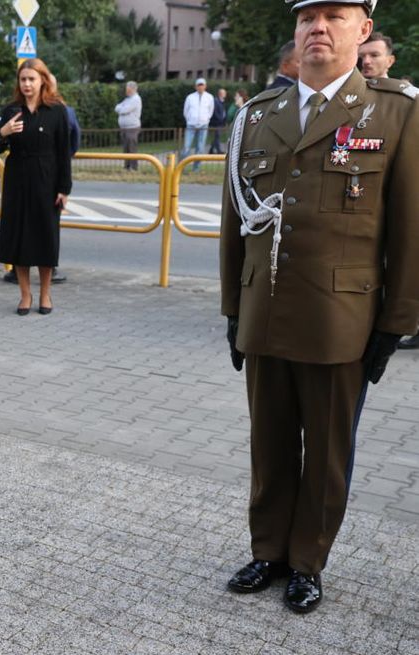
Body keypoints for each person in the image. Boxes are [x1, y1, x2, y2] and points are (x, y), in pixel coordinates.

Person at [221, 0, 419, 614]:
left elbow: (410, 229)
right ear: (296, 31)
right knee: (270, 443)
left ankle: (308, 560)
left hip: (342, 321)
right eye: (308, 17)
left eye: (335, 16)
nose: (319, 28)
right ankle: (268, 550)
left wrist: (397, 322)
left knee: (328, 453)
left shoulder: (395, 113)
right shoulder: (258, 114)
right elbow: (237, 224)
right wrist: (234, 309)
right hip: (266, 312)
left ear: (362, 31)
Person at [0, 59, 72, 317]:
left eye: (31, 79)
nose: (26, 84)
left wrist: (64, 188)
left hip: (47, 182)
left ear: (42, 81)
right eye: (23, 79)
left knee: (45, 239)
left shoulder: (57, 111)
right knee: (20, 240)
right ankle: (25, 295)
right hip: (17, 180)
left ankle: (45, 293)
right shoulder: (11, 110)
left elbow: (63, 153)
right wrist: (3, 132)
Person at [182, 77, 215, 169]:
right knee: (186, 146)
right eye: (199, 85)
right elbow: (186, 111)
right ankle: (181, 167)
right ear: (195, 87)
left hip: (203, 125)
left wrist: (206, 119)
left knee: (200, 147)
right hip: (191, 124)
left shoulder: (209, 97)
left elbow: (210, 110)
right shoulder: (190, 97)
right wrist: (189, 119)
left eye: (202, 85)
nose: (200, 87)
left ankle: (196, 168)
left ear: (205, 86)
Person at [115, 81, 142, 171]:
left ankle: (133, 168)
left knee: (132, 148)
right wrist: (121, 108)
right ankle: (127, 167)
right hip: (124, 128)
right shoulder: (127, 99)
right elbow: (117, 107)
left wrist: (121, 109)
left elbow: (124, 110)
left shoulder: (136, 99)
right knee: (126, 148)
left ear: (133, 89)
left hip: (132, 127)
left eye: (128, 89)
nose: (126, 91)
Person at [209, 87, 229, 153]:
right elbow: (215, 112)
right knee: (217, 136)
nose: (225, 94)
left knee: (216, 137)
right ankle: (218, 151)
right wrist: (220, 119)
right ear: (220, 94)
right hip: (216, 123)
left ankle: (211, 150)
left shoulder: (222, 101)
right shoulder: (216, 101)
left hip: (220, 123)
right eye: (224, 93)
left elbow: (223, 112)